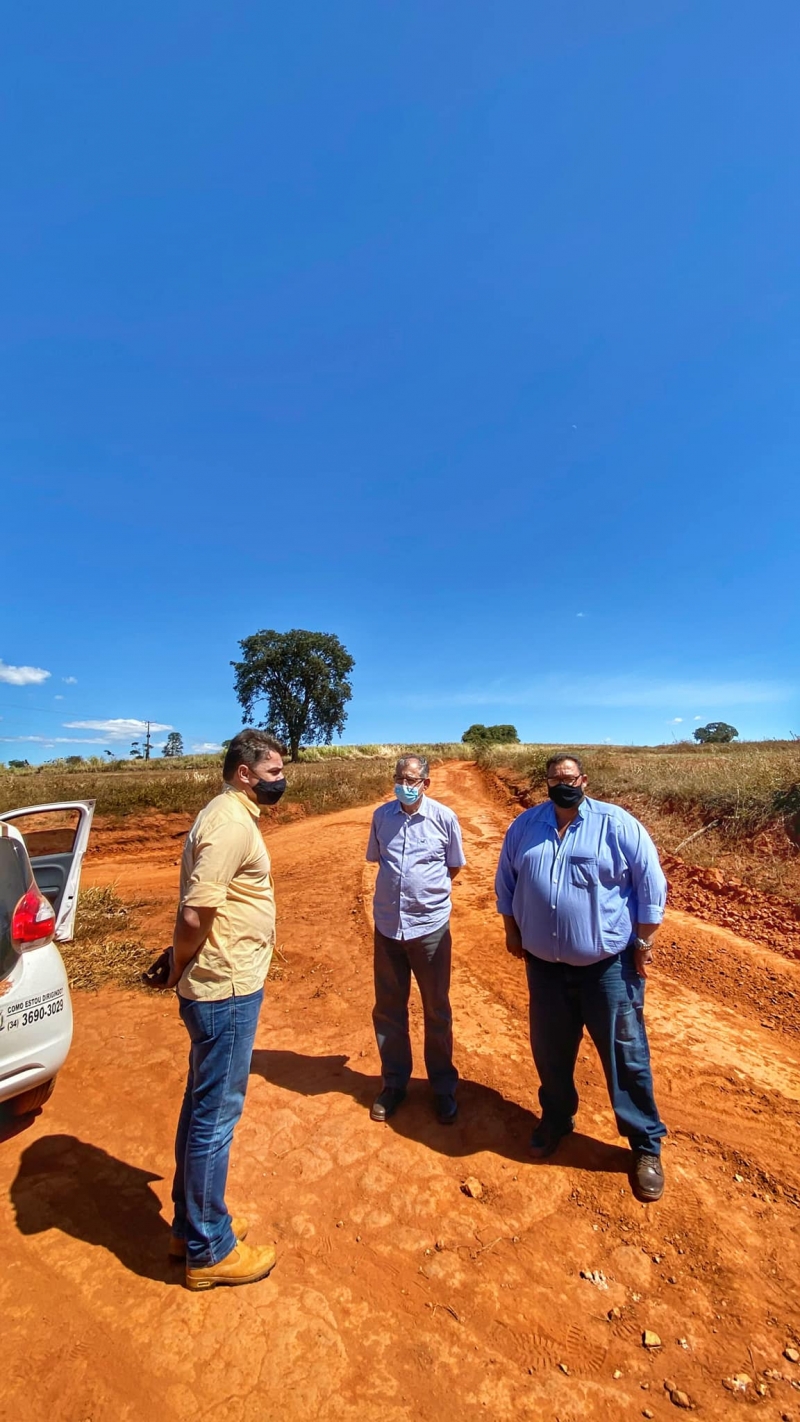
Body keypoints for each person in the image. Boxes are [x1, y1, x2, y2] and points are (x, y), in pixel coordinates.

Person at [495, 752, 668, 1202]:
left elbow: (651, 887)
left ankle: (645, 1145)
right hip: (544, 968)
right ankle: (556, 1119)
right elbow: (506, 883)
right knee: (550, 1051)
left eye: (569, 777)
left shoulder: (617, 824)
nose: (562, 784)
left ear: (584, 780)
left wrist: (644, 946)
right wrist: (512, 928)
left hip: (606, 969)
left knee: (625, 1057)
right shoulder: (525, 827)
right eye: (554, 778)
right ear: (545, 782)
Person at [166, 728, 287, 1289]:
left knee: (200, 1108)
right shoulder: (233, 823)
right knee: (216, 1118)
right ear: (245, 772)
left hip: (221, 982)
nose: (280, 781)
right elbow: (195, 914)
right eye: (273, 772)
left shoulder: (226, 814)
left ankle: (188, 1228)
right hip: (226, 988)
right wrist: (177, 964)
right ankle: (210, 1249)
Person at [366, 753, 466, 1124]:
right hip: (388, 927)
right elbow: (379, 861)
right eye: (399, 777)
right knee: (389, 1009)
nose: (404, 785)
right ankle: (394, 1084)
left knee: (436, 1009)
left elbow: (453, 866)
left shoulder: (444, 819)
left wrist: (427, 896)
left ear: (426, 783)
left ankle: (442, 1087)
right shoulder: (381, 818)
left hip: (429, 929)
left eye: (412, 779)